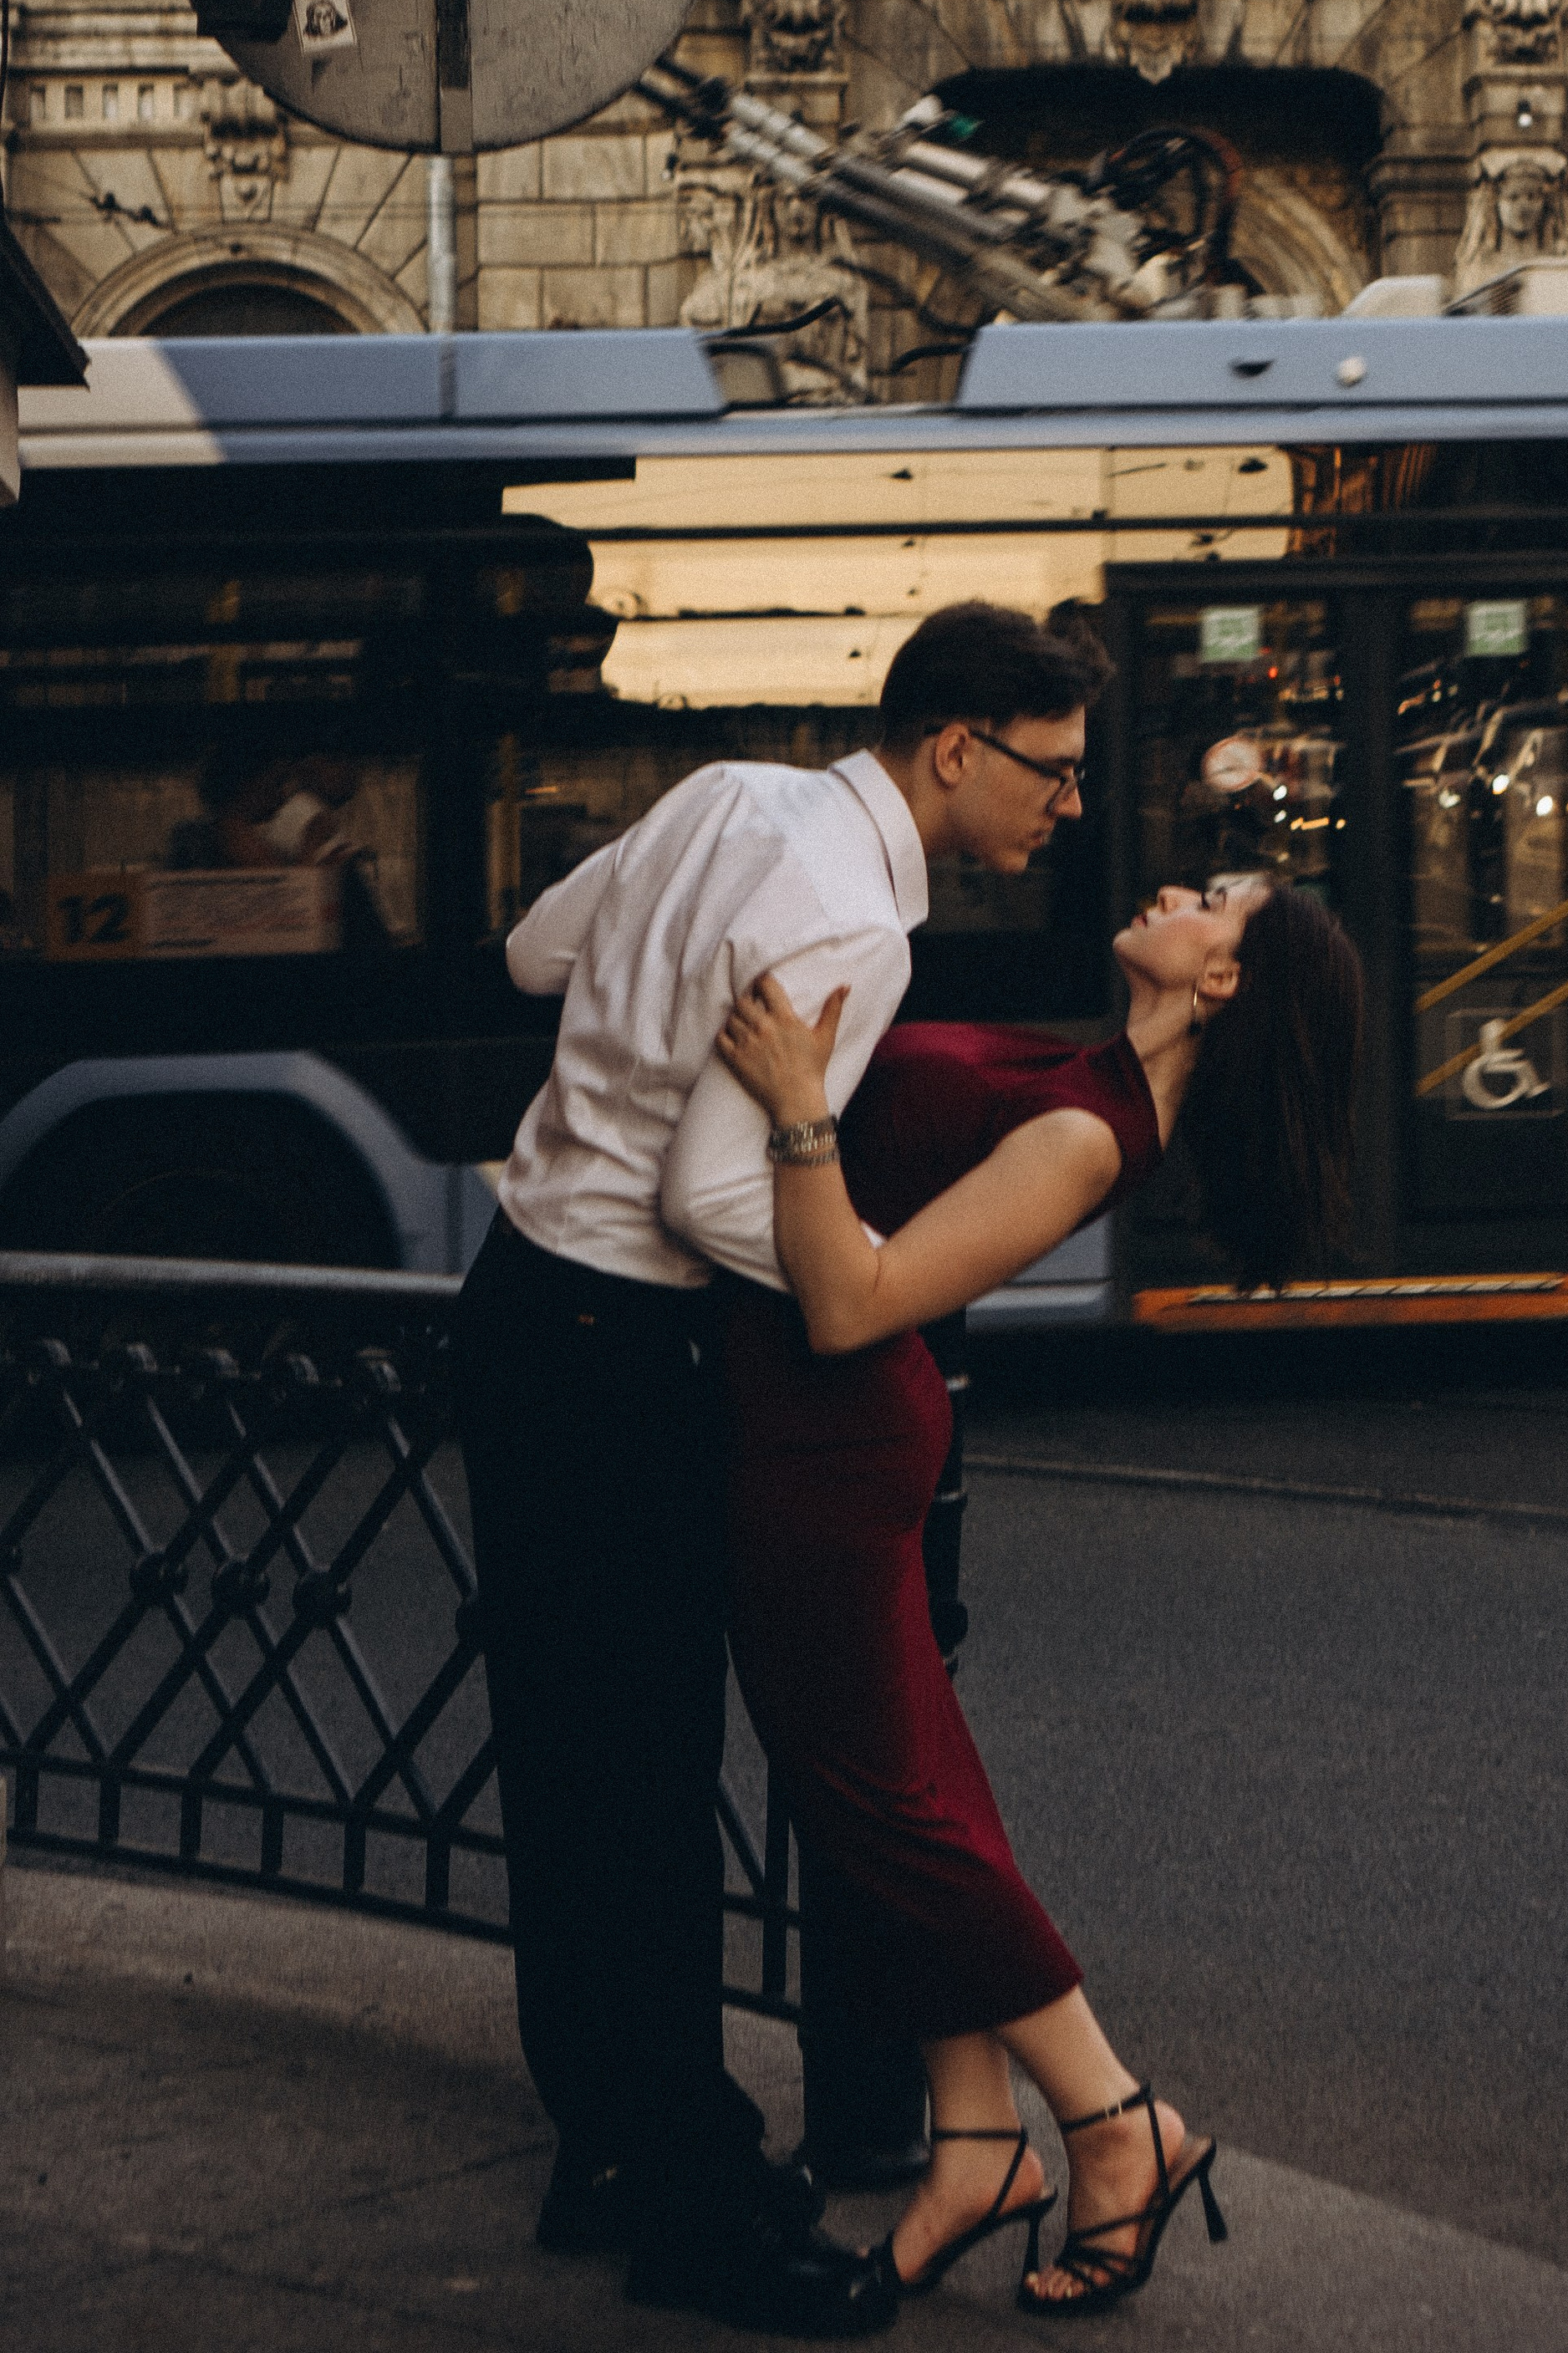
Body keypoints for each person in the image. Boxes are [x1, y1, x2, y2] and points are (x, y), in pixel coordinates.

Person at [449, 600, 1110, 2337]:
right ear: (953, 746)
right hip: (617, 1343)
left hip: (515, 1301)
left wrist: (644, 1029)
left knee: (576, 1776)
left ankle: (603, 2147)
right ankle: (693, 2210)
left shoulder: (734, 796)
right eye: (1047, 774)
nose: (1066, 810)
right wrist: (857, 1247)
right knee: (652, 1793)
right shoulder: (852, 919)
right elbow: (709, 1201)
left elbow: (533, 949)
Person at [711, 871, 1363, 2318]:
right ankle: (983, 2139)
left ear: (1225, 983)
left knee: (887, 1812)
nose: (1179, 889)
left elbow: (854, 1302)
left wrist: (799, 1105)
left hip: (833, 1446)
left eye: (1219, 901)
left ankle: (1115, 2122)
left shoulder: (1088, 1133)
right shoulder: (1089, 1072)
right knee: (902, 1798)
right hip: (810, 1442)